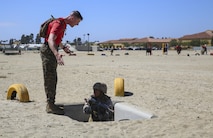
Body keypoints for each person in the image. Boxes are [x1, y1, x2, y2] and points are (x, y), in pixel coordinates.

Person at [40, 11, 83, 115]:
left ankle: (51, 104)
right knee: (50, 78)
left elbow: (56, 40)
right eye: (77, 22)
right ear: (72, 17)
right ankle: (50, 105)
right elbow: (50, 40)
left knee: (53, 78)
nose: (77, 24)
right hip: (48, 51)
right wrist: (56, 54)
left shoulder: (62, 24)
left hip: (50, 51)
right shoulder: (59, 24)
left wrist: (63, 48)